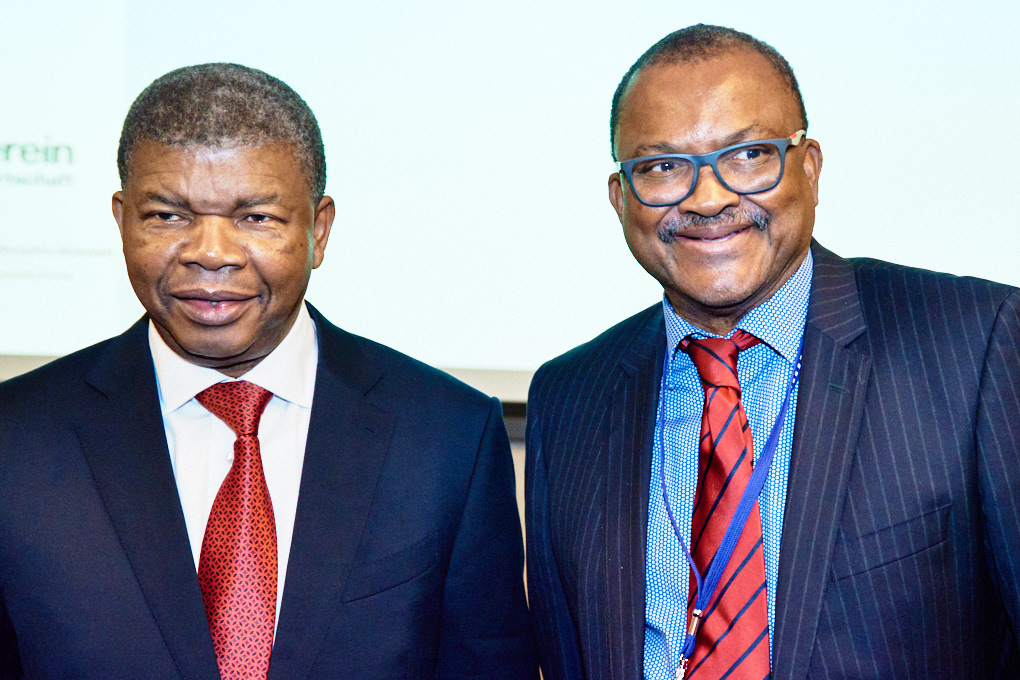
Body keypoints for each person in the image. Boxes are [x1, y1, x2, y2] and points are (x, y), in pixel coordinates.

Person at [0, 63, 536, 680]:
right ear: (122, 221)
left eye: (256, 217)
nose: (211, 253)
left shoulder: (448, 436)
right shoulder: (16, 440)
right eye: (168, 216)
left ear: (318, 230)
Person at [525, 24, 1020, 680]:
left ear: (808, 167)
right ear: (621, 199)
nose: (708, 199)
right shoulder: (569, 396)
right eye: (662, 167)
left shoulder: (974, 344)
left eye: (749, 154)